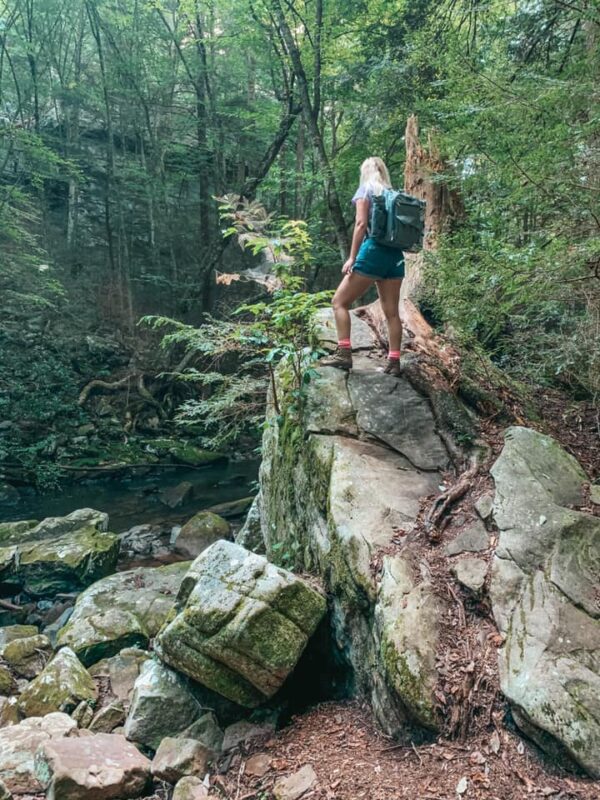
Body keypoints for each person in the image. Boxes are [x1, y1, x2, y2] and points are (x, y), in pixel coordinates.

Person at [320, 156, 404, 377]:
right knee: (392, 313)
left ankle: (344, 353)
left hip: (373, 252)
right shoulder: (394, 195)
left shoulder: (365, 190)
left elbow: (360, 224)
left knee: (339, 302)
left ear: (364, 172)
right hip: (395, 256)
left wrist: (352, 257)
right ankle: (394, 362)